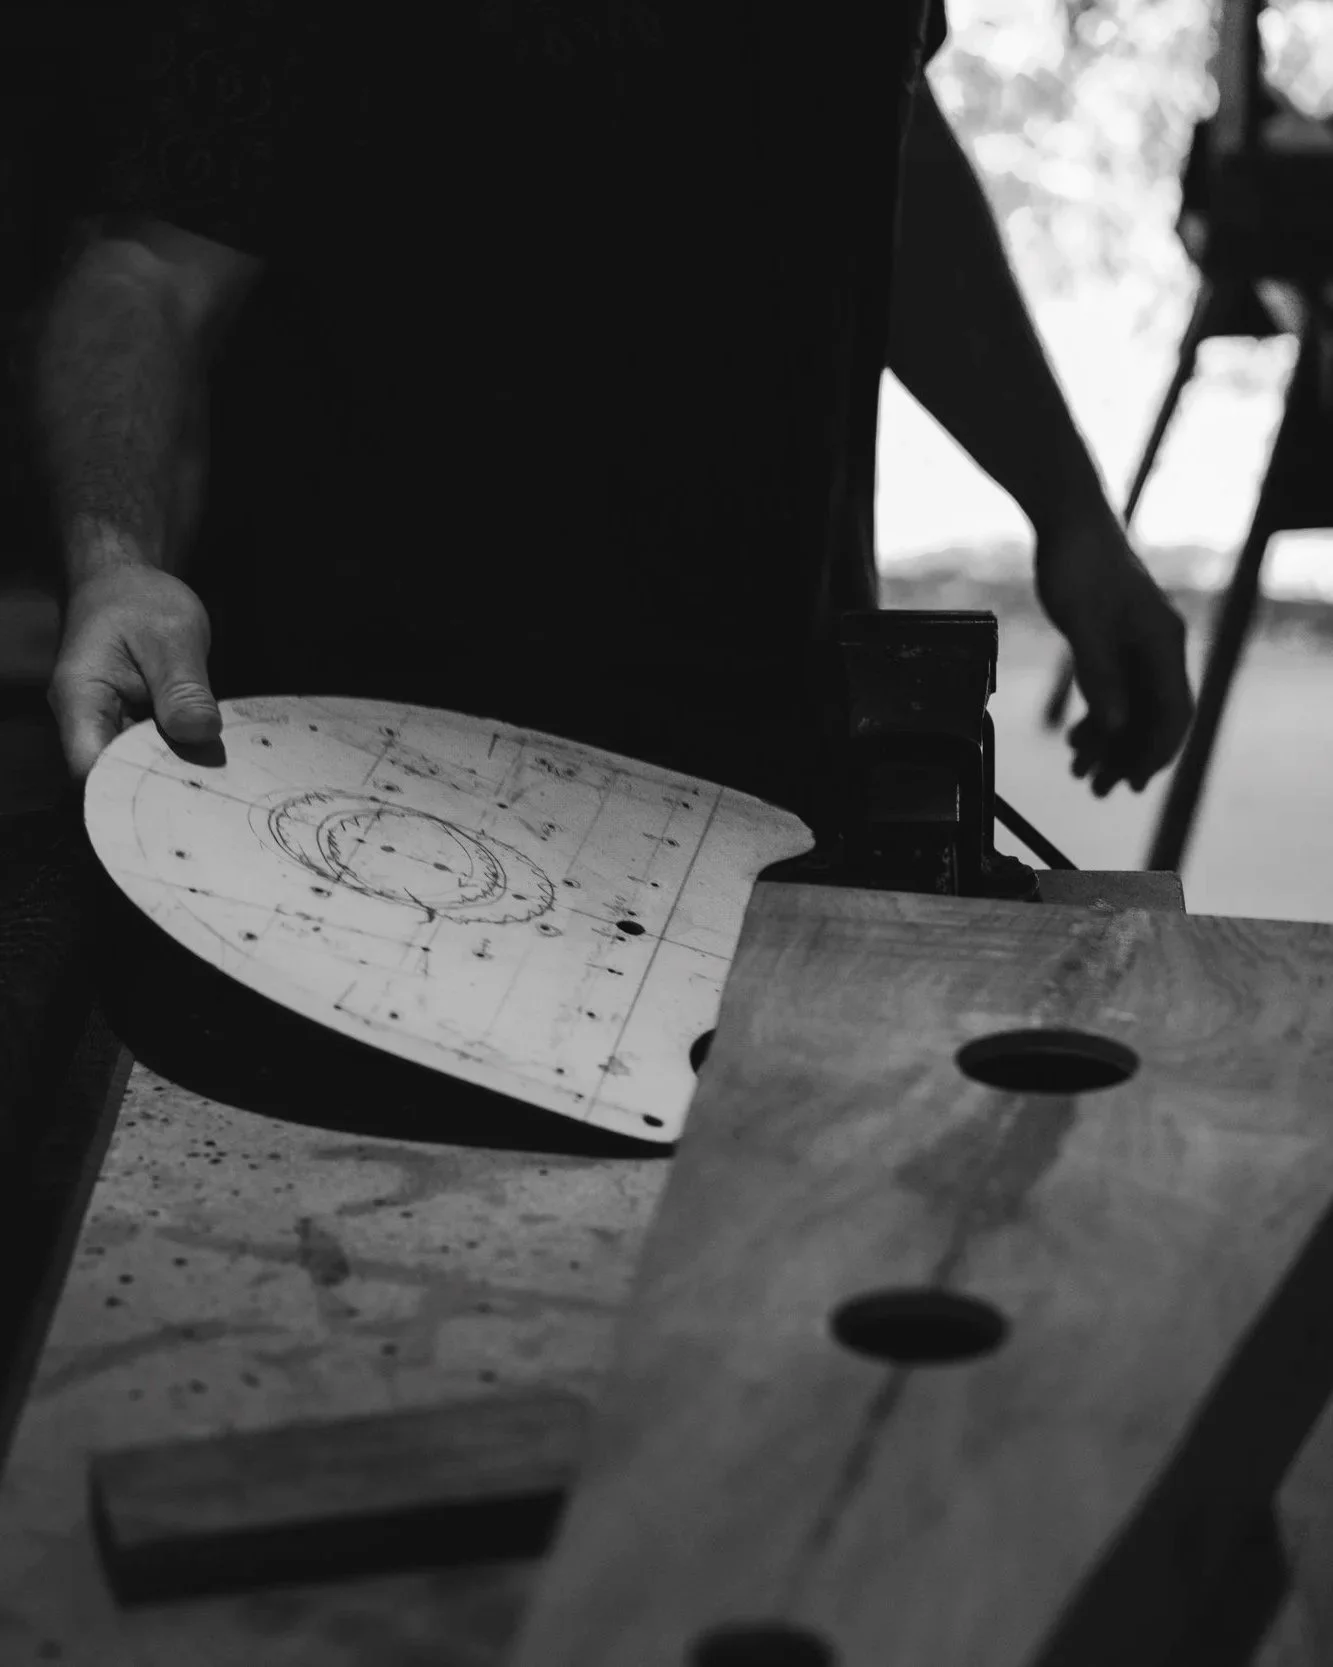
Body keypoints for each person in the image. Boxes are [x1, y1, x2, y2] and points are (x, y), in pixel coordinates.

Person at [30, 1, 1192, 829]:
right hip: (392, 748)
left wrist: (1069, 507)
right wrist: (116, 562)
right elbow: (151, 270)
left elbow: (882, 132)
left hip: (771, 726)